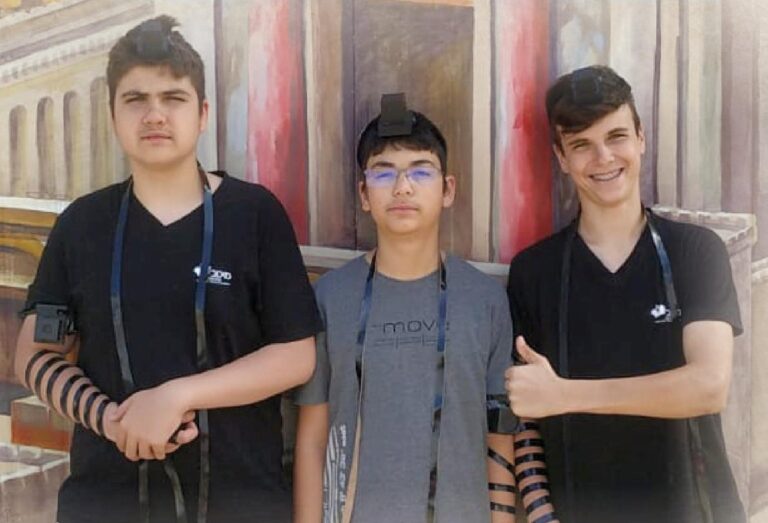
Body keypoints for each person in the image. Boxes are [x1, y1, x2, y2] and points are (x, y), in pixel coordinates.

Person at [14, 15, 321, 523]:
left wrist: (178, 396)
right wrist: (114, 421)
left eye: (173, 98)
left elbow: (296, 356)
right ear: (113, 115)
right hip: (105, 503)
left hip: (239, 502)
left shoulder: (253, 214)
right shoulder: (82, 224)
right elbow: (35, 355)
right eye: (135, 99)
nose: (154, 114)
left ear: (202, 114)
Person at [292, 94, 557, 523]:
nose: (403, 187)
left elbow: (499, 437)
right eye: (384, 173)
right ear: (364, 193)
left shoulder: (485, 300)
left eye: (420, 171)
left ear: (447, 189)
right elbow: (312, 438)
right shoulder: (330, 298)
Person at [505, 65, 746, 523]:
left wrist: (567, 395)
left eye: (616, 136)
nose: (604, 158)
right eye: (581, 144)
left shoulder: (694, 251)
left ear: (640, 138)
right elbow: (525, 415)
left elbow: (708, 387)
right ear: (561, 157)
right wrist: (540, 514)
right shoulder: (534, 272)